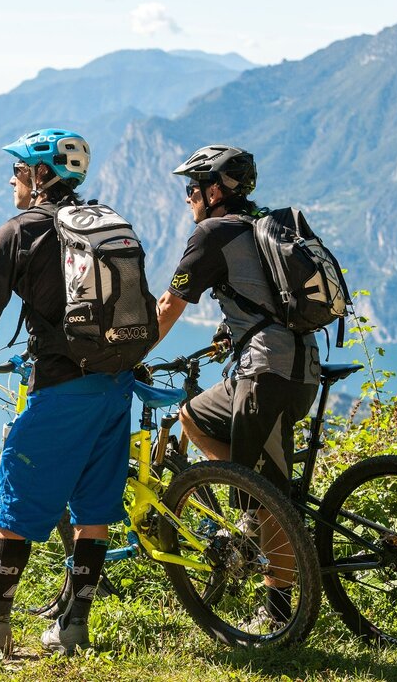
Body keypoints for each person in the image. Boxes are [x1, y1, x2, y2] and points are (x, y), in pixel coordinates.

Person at [0, 128, 135, 656]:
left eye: (19, 172)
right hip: (116, 384)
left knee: (16, 500)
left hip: (63, 387)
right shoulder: (102, 225)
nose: (13, 180)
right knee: (94, 508)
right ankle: (72, 628)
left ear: (40, 176)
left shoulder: (19, 232)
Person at [154, 144, 320, 627]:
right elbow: (265, 297)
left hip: (268, 374)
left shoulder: (212, 233)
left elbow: (168, 305)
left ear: (213, 191)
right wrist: (233, 330)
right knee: (192, 414)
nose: (188, 198)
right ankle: (244, 490)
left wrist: (125, 356)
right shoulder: (264, 225)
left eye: (192, 188)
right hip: (294, 365)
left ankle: (277, 618)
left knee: (274, 500)